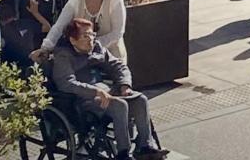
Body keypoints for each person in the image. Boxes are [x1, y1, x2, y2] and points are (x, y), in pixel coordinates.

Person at [51, 18, 166, 160]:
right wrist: (95, 91)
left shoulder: (97, 48)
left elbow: (118, 66)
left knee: (140, 99)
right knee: (120, 105)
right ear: (73, 40)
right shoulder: (63, 55)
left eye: (92, 35)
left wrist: (125, 85)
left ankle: (145, 146)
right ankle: (123, 153)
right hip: (84, 99)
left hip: (107, 91)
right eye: (85, 36)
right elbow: (66, 83)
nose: (90, 39)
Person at [36, 0, 128, 62]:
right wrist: (45, 48)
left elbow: (117, 33)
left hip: (113, 57)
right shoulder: (75, 2)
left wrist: (92, 44)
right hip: (83, 57)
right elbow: (59, 27)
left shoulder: (115, 0)